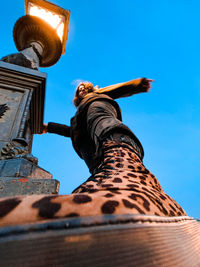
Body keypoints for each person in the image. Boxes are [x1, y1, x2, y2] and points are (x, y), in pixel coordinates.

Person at [42, 77, 186, 217]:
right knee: (93, 150)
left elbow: (117, 89)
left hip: (100, 114)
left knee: (100, 119)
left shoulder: (96, 95)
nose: (81, 91)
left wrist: (137, 84)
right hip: (92, 151)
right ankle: (103, 177)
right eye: (79, 90)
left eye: (83, 88)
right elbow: (72, 132)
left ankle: (124, 156)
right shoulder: (79, 114)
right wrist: (50, 127)